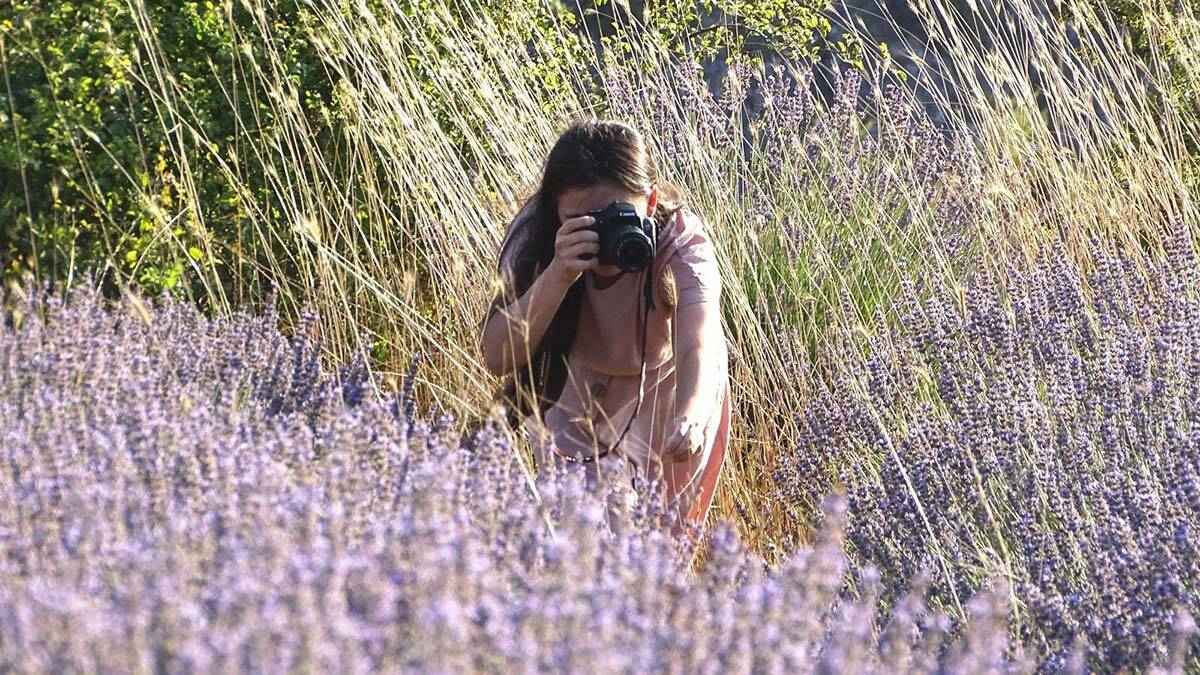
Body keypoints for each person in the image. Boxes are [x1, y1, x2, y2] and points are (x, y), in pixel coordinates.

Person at [479, 118, 730, 539]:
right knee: (580, 540)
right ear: (556, 211)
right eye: (582, 221)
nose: (605, 234)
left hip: (672, 392)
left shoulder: (681, 242)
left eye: (619, 217)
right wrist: (558, 274)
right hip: (578, 388)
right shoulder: (535, 237)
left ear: (650, 202)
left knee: (661, 551)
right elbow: (496, 357)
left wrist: (692, 414)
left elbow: (698, 339)